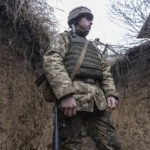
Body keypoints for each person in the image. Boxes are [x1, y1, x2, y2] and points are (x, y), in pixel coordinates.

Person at [43, 6, 121, 150]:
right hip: (73, 101)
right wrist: (65, 94)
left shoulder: (92, 48)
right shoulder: (63, 38)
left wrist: (111, 93)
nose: (91, 22)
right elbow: (52, 60)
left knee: (111, 145)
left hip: (97, 102)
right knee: (70, 146)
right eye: (88, 19)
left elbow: (105, 71)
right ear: (77, 19)